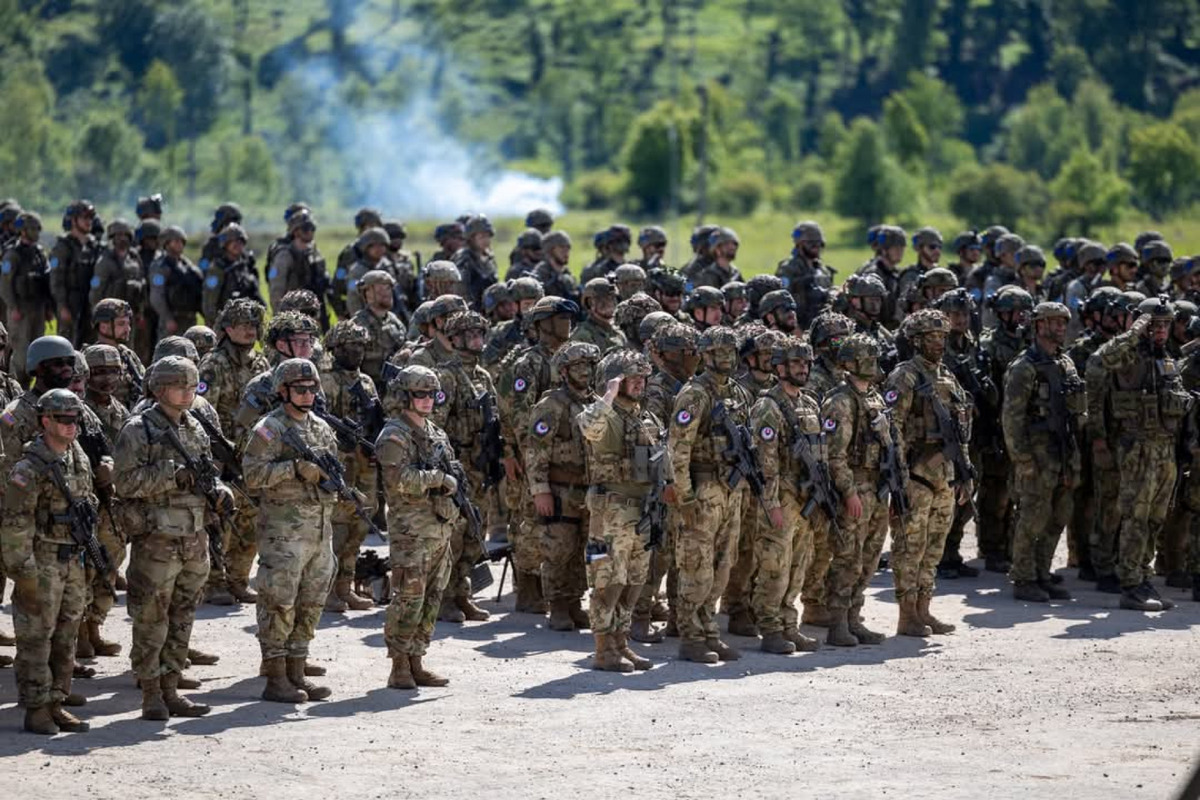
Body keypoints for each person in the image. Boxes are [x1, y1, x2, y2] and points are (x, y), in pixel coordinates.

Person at [115, 356, 231, 719]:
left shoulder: (195, 427)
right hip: (157, 538)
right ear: (159, 388)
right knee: (151, 617)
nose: (186, 393)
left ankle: (171, 686)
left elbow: (207, 473)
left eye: (191, 386)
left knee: (183, 615)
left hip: (194, 536)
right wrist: (171, 474)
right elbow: (124, 482)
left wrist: (221, 490)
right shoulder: (139, 429)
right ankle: (151, 693)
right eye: (179, 386)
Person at [242, 358, 338, 703]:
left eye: (312, 388)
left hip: (318, 531)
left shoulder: (321, 427)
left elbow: (330, 471)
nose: (308, 394)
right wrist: (294, 468)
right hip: (283, 532)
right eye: (300, 389)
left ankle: (297, 671)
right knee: (278, 601)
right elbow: (252, 475)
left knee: (310, 602)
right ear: (283, 391)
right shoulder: (269, 428)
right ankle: (276, 676)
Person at [1, 388, 95, 734]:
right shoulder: (29, 467)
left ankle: (57, 700)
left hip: (72, 559)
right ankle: (36, 707)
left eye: (75, 419)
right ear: (45, 421)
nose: (71, 425)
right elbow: (15, 522)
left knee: (67, 635)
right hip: (41, 562)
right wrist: (23, 571)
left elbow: (87, 500)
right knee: (36, 638)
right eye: (63, 419)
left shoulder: (78, 457)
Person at [1089, 297, 1186, 611]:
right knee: (1136, 517)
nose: (1161, 331)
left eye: (1165, 325)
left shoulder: (1166, 358)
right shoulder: (1128, 355)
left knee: (1156, 518)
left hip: (1165, 449)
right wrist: (1134, 332)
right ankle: (1130, 584)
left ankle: (1144, 577)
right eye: (1155, 325)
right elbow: (1099, 361)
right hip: (1138, 447)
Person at [885, 310, 973, 634]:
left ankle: (924, 608)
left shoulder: (948, 377)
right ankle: (907, 614)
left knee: (934, 547)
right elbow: (891, 427)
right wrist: (899, 477)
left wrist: (965, 473)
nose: (938, 343)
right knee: (910, 547)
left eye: (942, 337)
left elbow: (960, 431)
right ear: (917, 341)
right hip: (916, 476)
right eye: (932, 337)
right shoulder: (905, 376)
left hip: (945, 476)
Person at [668, 326, 753, 663]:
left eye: (730, 351)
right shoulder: (694, 394)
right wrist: (685, 497)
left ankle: (709, 631)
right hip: (703, 490)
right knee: (696, 566)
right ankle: (691, 636)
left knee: (723, 565)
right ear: (704, 355)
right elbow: (678, 449)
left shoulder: (737, 392)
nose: (726, 357)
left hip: (731, 490)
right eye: (719, 352)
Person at [577, 349, 666, 672]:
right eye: (631, 377)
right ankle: (603, 648)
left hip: (642, 512)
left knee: (634, 582)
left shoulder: (646, 418)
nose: (639, 382)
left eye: (642, 377)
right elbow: (588, 425)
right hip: (611, 513)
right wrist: (609, 395)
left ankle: (621, 642)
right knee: (607, 582)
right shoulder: (605, 414)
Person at [377, 365, 460, 690]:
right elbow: (398, 479)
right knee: (409, 596)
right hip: (411, 530)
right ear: (405, 396)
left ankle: (417, 659)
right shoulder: (394, 434)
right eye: (420, 394)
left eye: (432, 394)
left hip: (438, 527)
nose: (427, 400)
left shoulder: (436, 432)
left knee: (432, 597)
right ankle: (399, 663)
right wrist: (437, 479)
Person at [1002, 303, 1087, 603]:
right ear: (1039, 325)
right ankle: (1024, 577)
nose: (1061, 327)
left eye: (1064, 322)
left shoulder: (1065, 363)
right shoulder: (1024, 367)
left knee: (1058, 516)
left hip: (1063, 453)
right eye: (1055, 322)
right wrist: (1022, 460)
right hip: (1037, 456)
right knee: (1031, 517)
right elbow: (1011, 419)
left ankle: (1042, 572)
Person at [748, 336, 826, 653]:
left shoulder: (809, 404)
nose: (802, 368)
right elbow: (765, 462)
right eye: (795, 363)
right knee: (774, 567)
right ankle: (770, 629)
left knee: (798, 565)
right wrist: (771, 504)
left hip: (805, 499)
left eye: (806, 363)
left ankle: (789, 625)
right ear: (779, 367)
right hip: (781, 498)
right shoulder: (768, 406)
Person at [821, 334, 894, 647]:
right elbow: (834, 455)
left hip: (877, 486)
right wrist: (849, 492)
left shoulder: (874, 398)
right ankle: (837, 622)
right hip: (855, 487)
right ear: (850, 363)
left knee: (870, 557)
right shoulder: (839, 401)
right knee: (847, 558)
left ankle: (854, 617)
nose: (873, 363)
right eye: (867, 357)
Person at [524, 341, 600, 631]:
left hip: (588, 489)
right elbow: (536, 450)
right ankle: (557, 604)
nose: (585, 371)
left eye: (589, 365)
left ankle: (574, 601)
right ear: (565, 371)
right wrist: (540, 490)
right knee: (558, 549)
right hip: (559, 489)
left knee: (584, 549)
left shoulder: (595, 403)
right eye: (578, 366)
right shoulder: (551, 404)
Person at [319, 320, 380, 613]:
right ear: (335, 348)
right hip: (341, 463)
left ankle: (345, 587)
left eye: (361, 345)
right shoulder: (326, 381)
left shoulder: (366, 381)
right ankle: (328, 590)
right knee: (339, 528)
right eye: (350, 345)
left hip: (365, 463)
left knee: (360, 526)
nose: (357, 351)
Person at [0, 211, 52, 384]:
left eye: (37, 229)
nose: (36, 232)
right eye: (32, 229)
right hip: (20, 311)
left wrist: (48, 308)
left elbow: (46, 280)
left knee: (37, 350)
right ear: (23, 231)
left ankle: (32, 387)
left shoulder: (39, 253)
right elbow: (5, 285)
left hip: (38, 308)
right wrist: (13, 307)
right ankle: (17, 387)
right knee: (20, 353)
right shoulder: (12, 254)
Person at [50, 200, 99, 348]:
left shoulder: (94, 246)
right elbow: (56, 280)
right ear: (73, 220)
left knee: (90, 346)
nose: (89, 221)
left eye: (91, 218)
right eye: (84, 218)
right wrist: (62, 306)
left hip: (90, 303)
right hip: (71, 304)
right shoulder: (63, 247)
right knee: (67, 346)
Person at [148, 225, 204, 338]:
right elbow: (156, 296)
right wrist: (167, 318)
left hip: (190, 318)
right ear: (167, 243)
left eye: (182, 242)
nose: (180, 244)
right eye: (176, 241)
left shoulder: (188, 266)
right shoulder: (160, 267)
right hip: (172, 319)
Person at [202, 222, 263, 324]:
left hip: (246, 323)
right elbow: (209, 304)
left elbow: (256, 294)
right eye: (233, 241)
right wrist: (219, 325)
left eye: (240, 241)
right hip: (224, 324)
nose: (237, 245)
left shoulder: (245, 266)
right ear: (225, 244)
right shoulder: (217, 269)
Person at [570, 278, 626, 354]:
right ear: (589, 303)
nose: (610, 303)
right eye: (603, 299)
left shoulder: (619, 333)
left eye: (612, 298)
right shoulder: (582, 336)